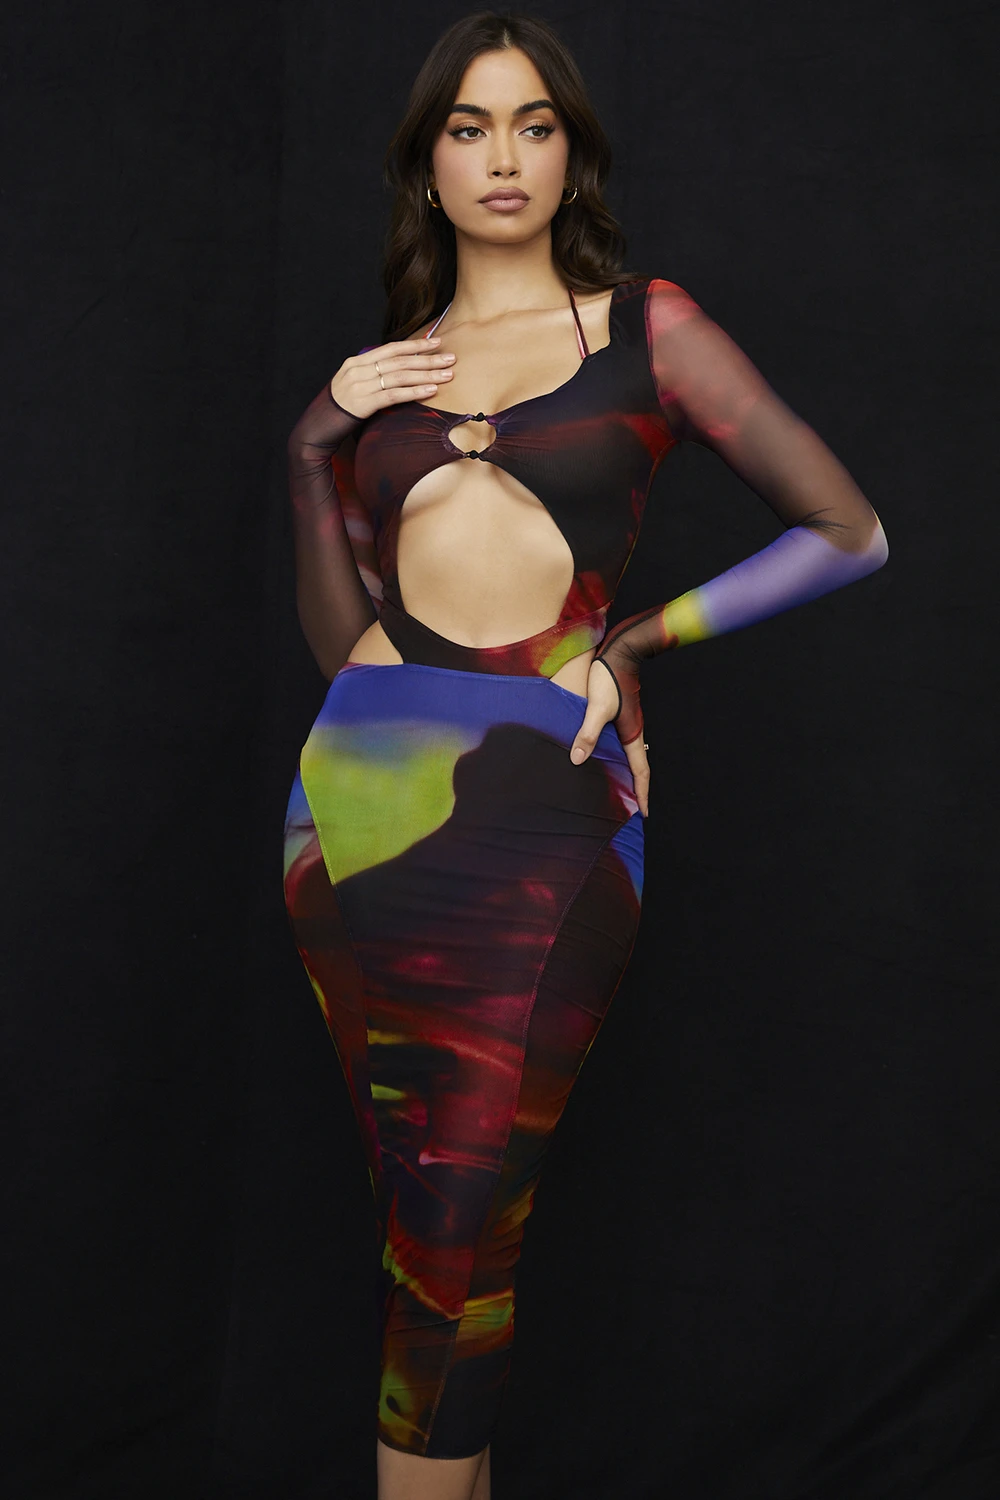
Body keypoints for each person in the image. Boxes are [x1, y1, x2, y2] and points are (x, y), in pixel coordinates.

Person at [281, 13, 888, 1500]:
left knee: (457, 1219)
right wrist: (312, 449)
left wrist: (634, 645)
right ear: (427, 165)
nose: (504, 156)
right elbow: (345, 644)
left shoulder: (644, 328)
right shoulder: (390, 373)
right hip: (351, 815)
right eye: (470, 127)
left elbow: (848, 532)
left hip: (548, 815)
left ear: (572, 155)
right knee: (432, 1235)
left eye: (535, 124)